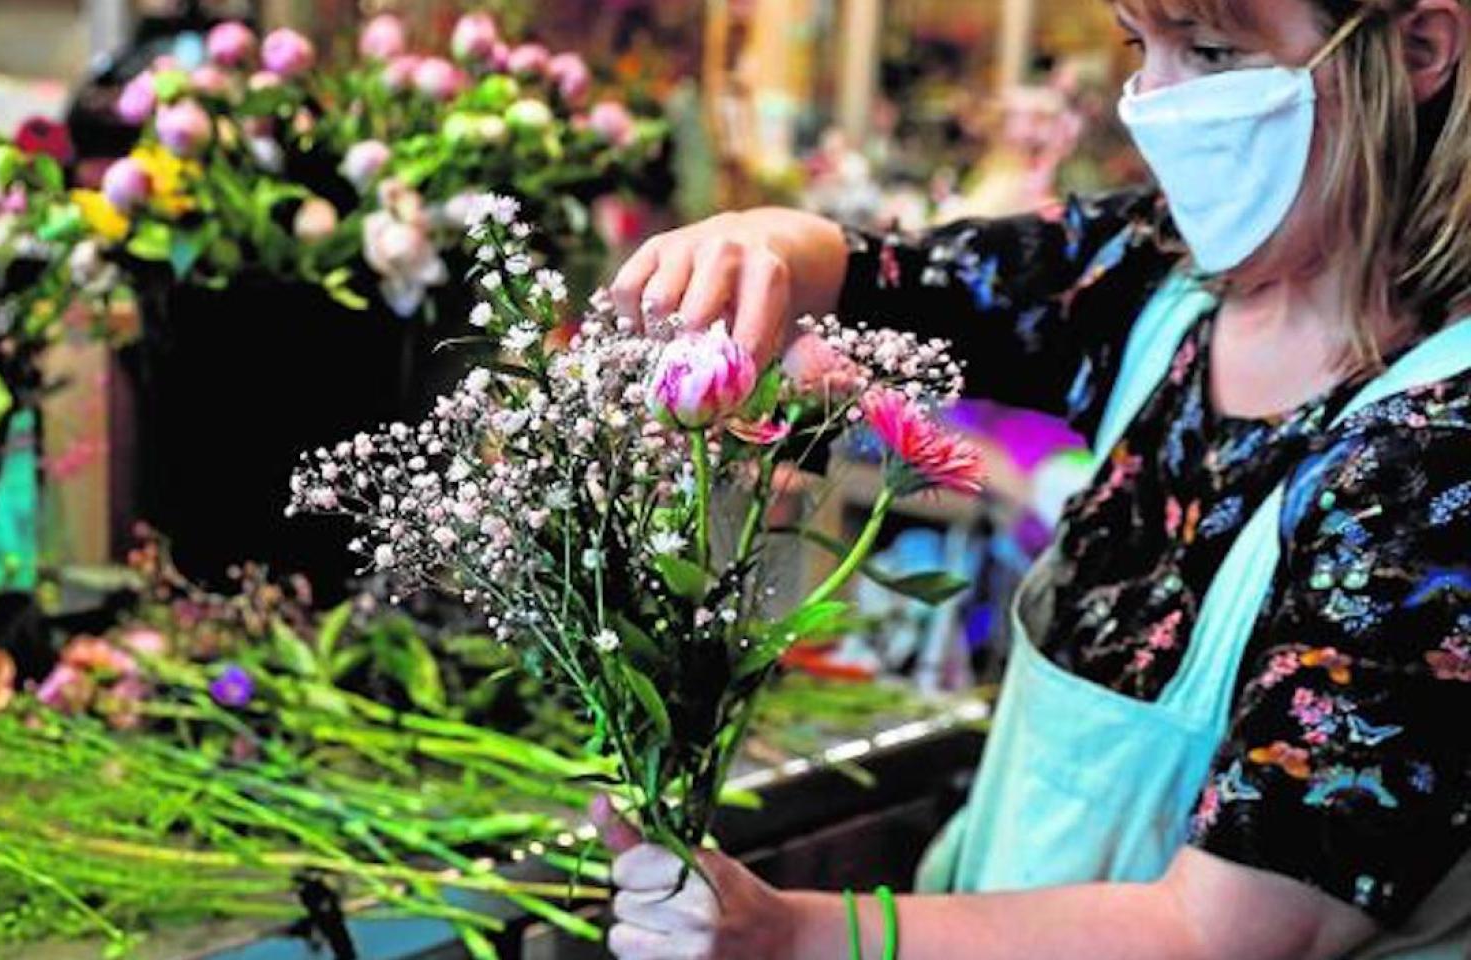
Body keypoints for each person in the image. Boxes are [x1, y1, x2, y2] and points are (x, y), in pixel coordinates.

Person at [595, 0, 1471, 957]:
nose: (1156, 103)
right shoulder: (1156, 278)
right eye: (1146, 46)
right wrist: (756, 244)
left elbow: (1229, 933)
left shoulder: (1436, 454)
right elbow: (895, 274)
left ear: (1420, 48)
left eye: (1214, 51)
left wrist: (800, 935)